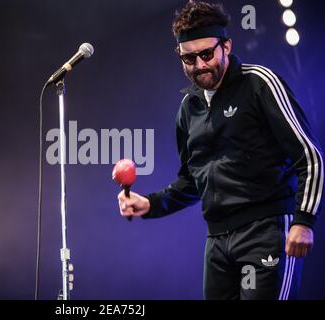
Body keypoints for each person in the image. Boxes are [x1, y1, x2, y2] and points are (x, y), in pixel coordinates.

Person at [117, 0, 323, 300]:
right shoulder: (188, 108)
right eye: (189, 58)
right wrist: (150, 204)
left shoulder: (259, 83)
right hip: (217, 241)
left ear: (226, 45)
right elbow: (193, 181)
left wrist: (304, 221)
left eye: (206, 54)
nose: (199, 65)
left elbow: (310, 156)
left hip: (265, 232)